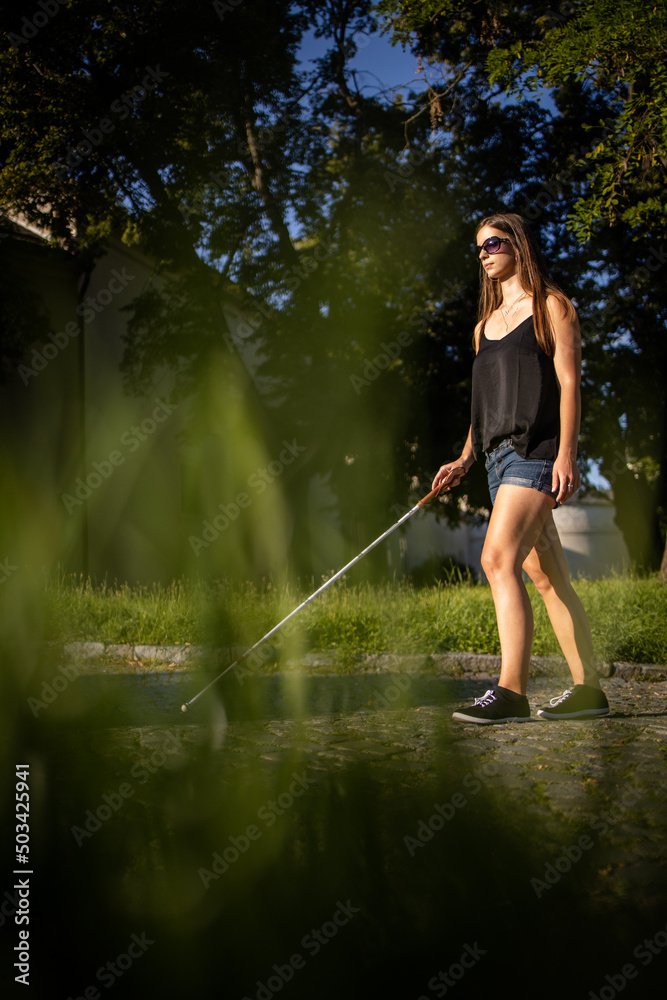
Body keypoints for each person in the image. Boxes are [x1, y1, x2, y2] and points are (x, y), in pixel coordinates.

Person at [432, 212, 610, 723]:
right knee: (548, 578)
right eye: (479, 248)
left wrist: (568, 454)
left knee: (496, 559)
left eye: (493, 242)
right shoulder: (483, 327)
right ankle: (589, 690)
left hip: (536, 452)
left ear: (519, 245)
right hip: (495, 460)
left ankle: (511, 693)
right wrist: (465, 457)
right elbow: (482, 406)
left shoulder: (551, 307)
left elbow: (571, 384)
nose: (484, 253)